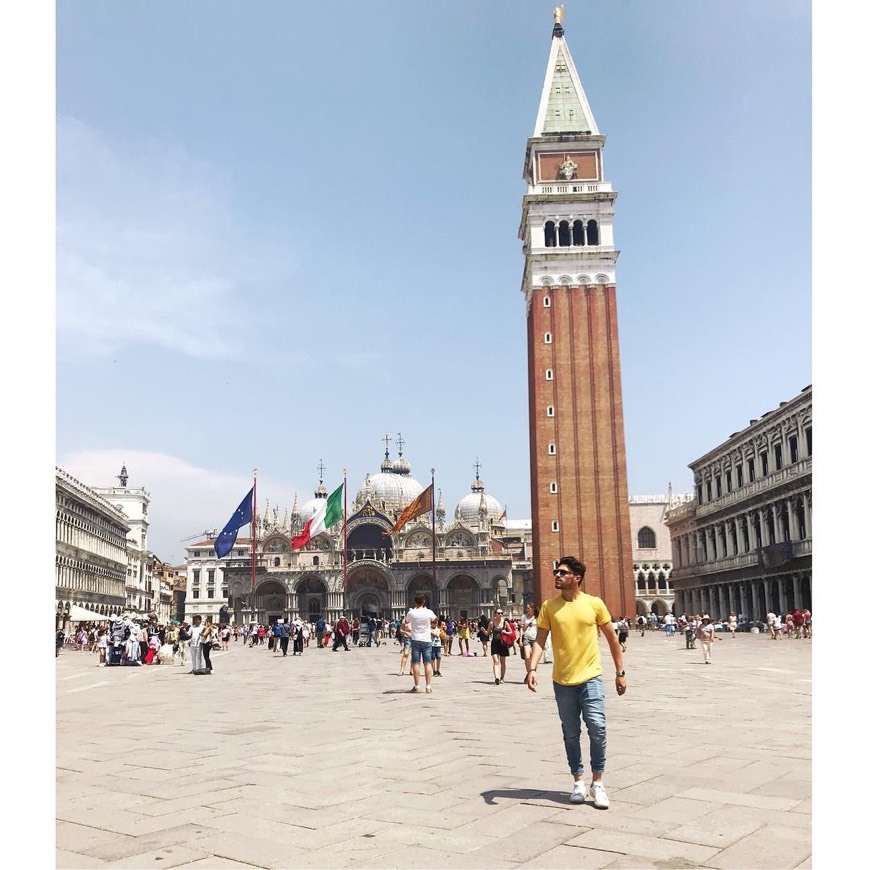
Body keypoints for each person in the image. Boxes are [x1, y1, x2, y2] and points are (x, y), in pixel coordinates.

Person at [526, 556, 626, 810]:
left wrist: (620, 672)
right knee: (571, 734)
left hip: (591, 676)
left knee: (597, 727)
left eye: (562, 572)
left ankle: (598, 782)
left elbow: (613, 640)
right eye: (555, 572)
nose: (556, 576)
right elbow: (539, 640)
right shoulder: (549, 606)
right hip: (562, 680)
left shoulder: (594, 604)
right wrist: (532, 668)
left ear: (577, 578)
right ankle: (578, 782)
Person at [403, 594, 438, 693]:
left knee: (416, 663)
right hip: (427, 640)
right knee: (427, 663)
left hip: (415, 640)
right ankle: (428, 686)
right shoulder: (429, 612)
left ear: (415, 602)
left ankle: (417, 686)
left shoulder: (411, 613)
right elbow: (436, 619)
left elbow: (406, 621)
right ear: (424, 602)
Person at [489, 608, 513, 685]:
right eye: (499, 613)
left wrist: (505, 631)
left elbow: (511, 632)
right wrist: (483, 631)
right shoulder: (491, 623)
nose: (500, 615)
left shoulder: (505, 623)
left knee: (503, 662)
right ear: (495, 614)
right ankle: (496, 677)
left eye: (501, 613)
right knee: (496, 661)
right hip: (495, 643)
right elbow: (487, 632)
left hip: (503, 643)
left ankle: (502, 678)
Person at [521, 603, 539, 684]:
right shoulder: (524, 617)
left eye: (528, 608)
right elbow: (521, 629)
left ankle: (531, 675)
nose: (527, 609)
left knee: (534, 658)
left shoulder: (537, 617)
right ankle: (529, 672)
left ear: (533, 609)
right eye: (527, 608)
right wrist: (520, 640)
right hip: (526, 638)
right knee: (527, 657)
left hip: (535, 639)